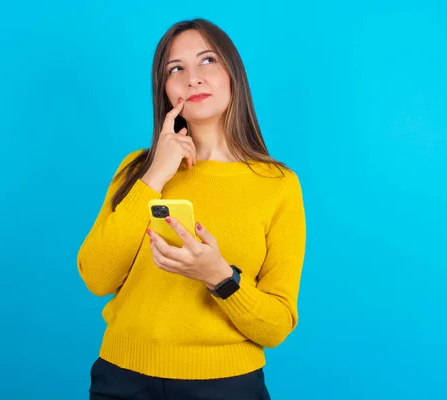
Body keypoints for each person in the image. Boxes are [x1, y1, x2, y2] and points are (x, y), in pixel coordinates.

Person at [77, 18, 306, 400]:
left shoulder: (278, 184)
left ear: (233, 74)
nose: (192, 79)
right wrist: (154, 177)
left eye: (207, 61)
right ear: (165, 89)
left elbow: (276, 326)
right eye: (175, 69)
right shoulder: (137, 168)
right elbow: (97, 277)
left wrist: (220, 277)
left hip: (228, 386)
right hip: (122, 380)